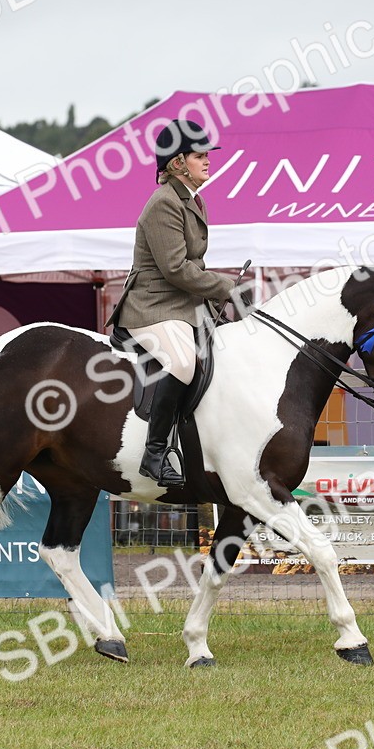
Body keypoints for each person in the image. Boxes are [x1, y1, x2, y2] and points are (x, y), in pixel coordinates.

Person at [115, 119, 239, 488]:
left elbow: (193, 265)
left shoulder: (193, 200)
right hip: (152, 306)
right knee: (183, 363)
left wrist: (221, 294)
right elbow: (175, 268)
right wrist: (223, 287)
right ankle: (154, 453)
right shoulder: (163, 204)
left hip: (183, 304)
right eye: (200, 156)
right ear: (177, 163)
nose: (208, 161)